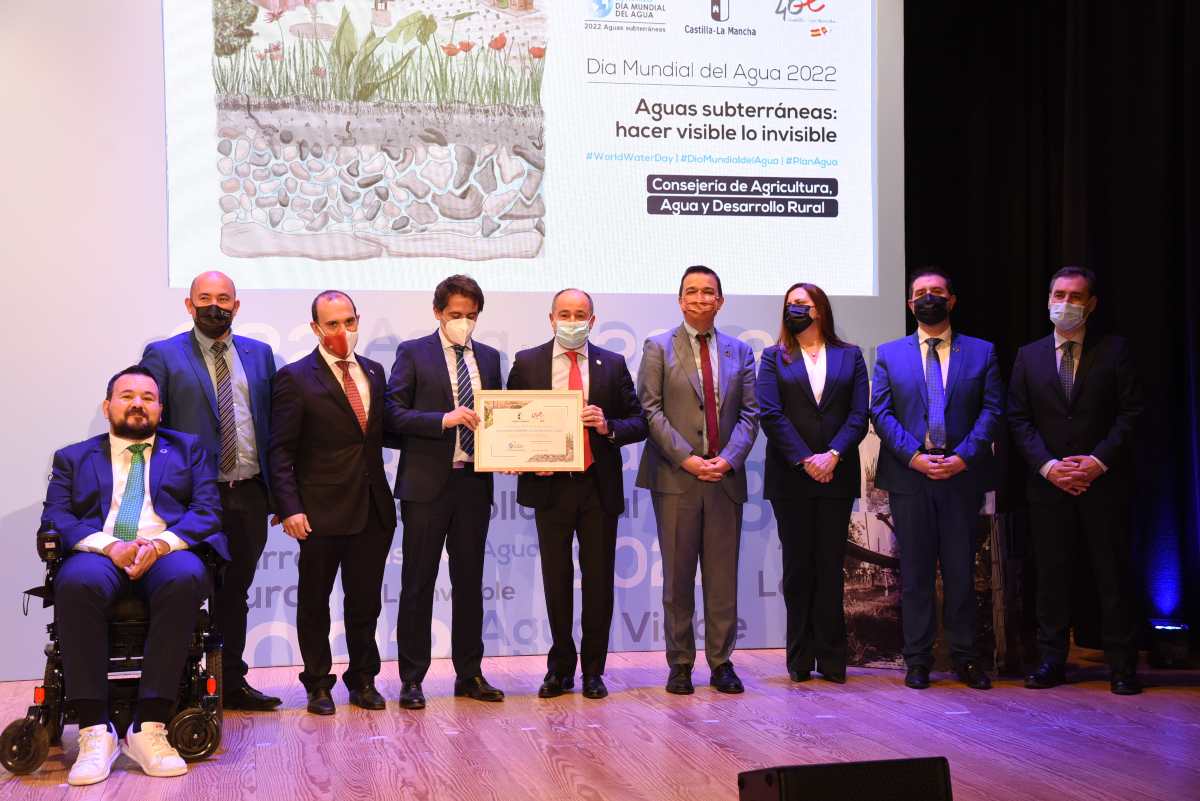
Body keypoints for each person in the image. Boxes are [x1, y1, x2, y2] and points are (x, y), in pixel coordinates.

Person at [41, 367, 229, 785]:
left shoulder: (188, 450)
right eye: (127, 395)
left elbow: (207, 511)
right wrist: (111, 546)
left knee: (184, 578)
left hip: (165, 548)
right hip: (102, 550)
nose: (138, 403)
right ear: (108, 406)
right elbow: (56, 516)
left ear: (161, 409)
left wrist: (159, 545)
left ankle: (150, 727)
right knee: (76, 582)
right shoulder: (73, 457)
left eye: (147, 397)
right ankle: (95, 731)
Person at [140, 270, 280, 711]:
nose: (214, 305)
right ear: (189, 304)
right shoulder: (162, 355)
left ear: (236, 306)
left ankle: (230, 682)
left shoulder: (260, 355)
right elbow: (150, 427)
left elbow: (271, 424)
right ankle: (177, 688)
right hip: (190, 500)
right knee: (182, 590)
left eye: (223, 298)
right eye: (205, 297)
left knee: (234, 593)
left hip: (249, 492)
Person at [506, 289, 648, 700]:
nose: (572, 320)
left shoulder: (613, 363)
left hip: (596, 486)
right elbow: (511, 421)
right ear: (551, 319)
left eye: (580, 314)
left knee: (599, 581)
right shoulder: (527, 361)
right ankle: (560, 668)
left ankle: (594, 671)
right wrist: (525, 456)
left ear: (593, 319)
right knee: (556, 580)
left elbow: (637, 421)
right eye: (565, 314)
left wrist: (608, 426)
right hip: (550, 486)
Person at [1008, 267, 1144, 695]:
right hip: (1048, 486)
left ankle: (1122, 665)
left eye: (1076, 296)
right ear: (1048, 299)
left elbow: (1131, 413)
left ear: (1092, 304)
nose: (1066, 303)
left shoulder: (1115, 351)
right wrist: (1049, 466)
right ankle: (1052, 661)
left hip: (1103, 483)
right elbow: (1018, 418)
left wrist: (1097, 461)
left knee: (1112, 574)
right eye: (1059, 294)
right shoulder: (1028, 356)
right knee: (1051, 576)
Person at [870, 268, 1004, 691]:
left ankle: (965, 658)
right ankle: (917, 660)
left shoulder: (982, 352)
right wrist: (914, 457)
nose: (929, 298)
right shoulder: (890, 354)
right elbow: (881, 412)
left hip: (960, 476)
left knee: (963, 573)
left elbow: (992, 411)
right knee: (916, 574)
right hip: (912, 477)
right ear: (911, 305)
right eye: (920, 293)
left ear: (952, 300)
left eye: (937, 292)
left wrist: (962, 458)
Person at [269, 290, 396, 715]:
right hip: (318, 511)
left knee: (365, 603)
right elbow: (280, 449)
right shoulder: (295, 377)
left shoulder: (375, 372)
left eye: (349, 321)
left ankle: (363, 679)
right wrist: (289, 507)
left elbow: (384, 432)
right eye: (332, 324)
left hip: (373, 509)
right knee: (314, 602)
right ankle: (318, 684)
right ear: (315, 328)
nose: (343, 331)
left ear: (358, 320)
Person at [636, 265, 760, 695]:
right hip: (676, 478)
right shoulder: (657, 347)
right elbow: (649, 411)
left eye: (709, 292)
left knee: (723, 577)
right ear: (680, 299)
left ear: (720, 301)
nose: (701, 298)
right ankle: (680, 664)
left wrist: (726, 460)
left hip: (724, 478)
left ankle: (722, 663)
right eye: (692, 291)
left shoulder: (740, 352)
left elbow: (750, 414)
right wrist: (688, 459)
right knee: (677, 578)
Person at [385, 275, 505, 709]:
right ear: (438, 312)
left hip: (473, 483)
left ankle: (469, 673)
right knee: (418, 582)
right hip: (426, 485)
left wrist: (509, 446)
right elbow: (393, 414)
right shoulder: (413, 352)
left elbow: (502, 417)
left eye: (470, 316)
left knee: (470, 583)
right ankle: (412, 678)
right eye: (455, 314)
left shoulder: (490, 358)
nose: (463, 322)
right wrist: (443, 419)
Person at [756, 283, 869, 684]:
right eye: (789, 306)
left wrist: (832, 455)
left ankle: (834, 660)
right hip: (792, 478)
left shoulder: (850, 355)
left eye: (801, 305)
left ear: (819, 309)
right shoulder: (773, 358)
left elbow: (859, 414)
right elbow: (770, 413)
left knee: (829, 567)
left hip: (836, 475)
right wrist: (806, 459)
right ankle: (800, 661)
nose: (794, 311)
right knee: (798, 569)